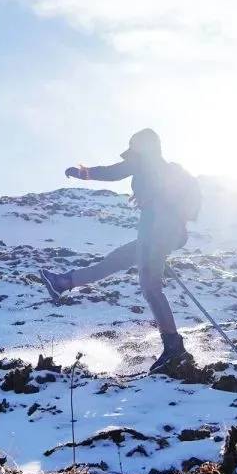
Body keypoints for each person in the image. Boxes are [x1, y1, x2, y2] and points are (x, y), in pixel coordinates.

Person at [40, 128, 199, 373]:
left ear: (142, 146)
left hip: (156, 235)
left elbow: (113, 172)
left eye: (133, 146)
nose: (130, 152)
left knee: (150, 287)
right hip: (164, 235)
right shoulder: (166, 169)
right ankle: (63, 282)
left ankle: (174, 348)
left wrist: (82, 172)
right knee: (115, 262)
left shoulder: (144, 162)